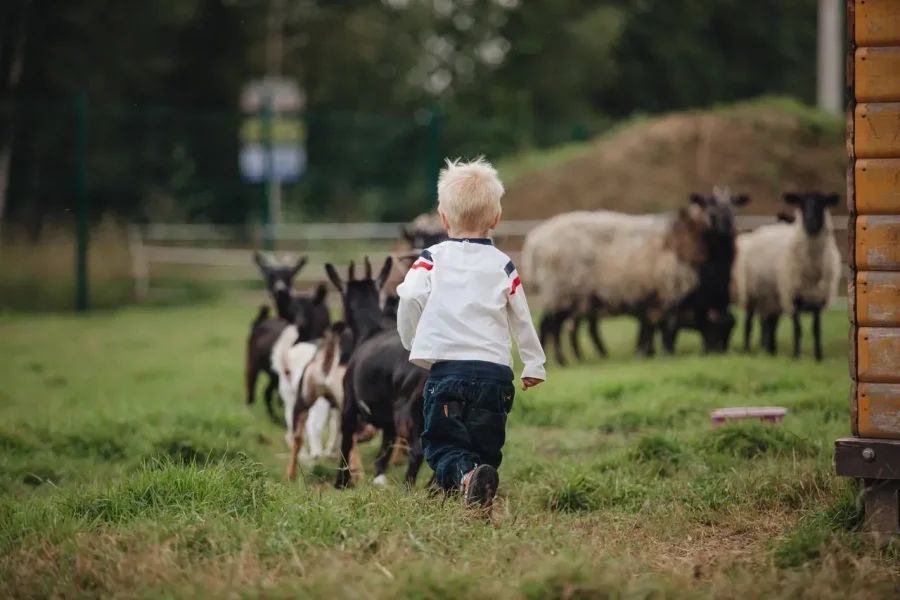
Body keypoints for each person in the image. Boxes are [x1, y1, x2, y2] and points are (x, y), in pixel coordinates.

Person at [396, 157, 546, 510]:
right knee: (484, 448)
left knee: (443, 446)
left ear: (443, 218)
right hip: (495, 376)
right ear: (496, 218)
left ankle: (466, 479)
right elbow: (522, 317)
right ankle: (477, 485)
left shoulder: (431, 258)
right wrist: (534, 363)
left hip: (448, 373)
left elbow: (410, 295)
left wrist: (410, 339)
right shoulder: (503, 265)